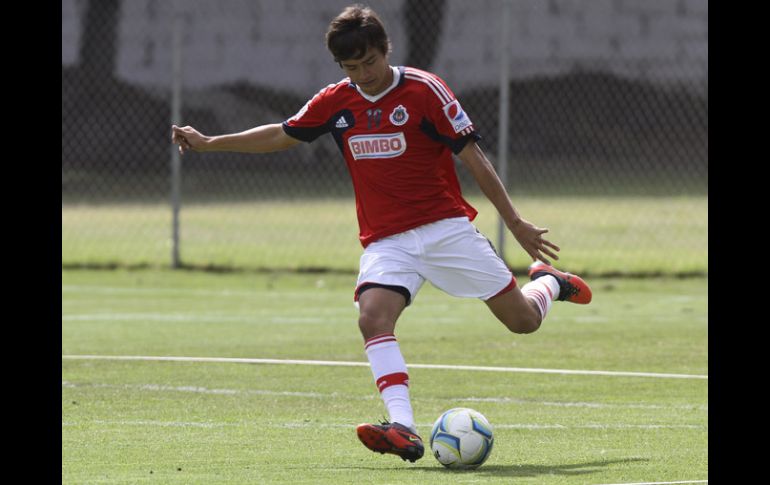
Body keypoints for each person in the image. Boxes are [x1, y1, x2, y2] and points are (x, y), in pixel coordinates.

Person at [171, 4, 592, 464]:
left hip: (445, 230)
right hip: (387, 240)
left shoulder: (425, 91)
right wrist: (212, 142)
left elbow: (473, 157)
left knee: (522, 321)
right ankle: (403, 428)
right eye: (350, 68)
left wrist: (514, 222)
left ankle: (549, 281)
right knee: (372, 316)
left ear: (385, 50)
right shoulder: (337, 100)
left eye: (368, 63)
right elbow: (284, 134)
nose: (362, 75)